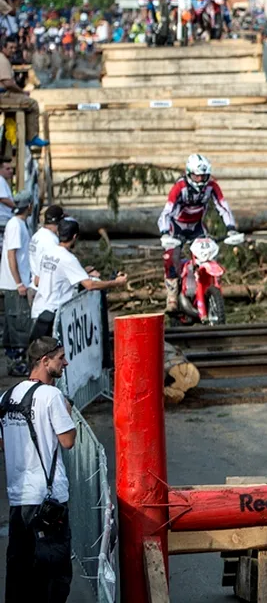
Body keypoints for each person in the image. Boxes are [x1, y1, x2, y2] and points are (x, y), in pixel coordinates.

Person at [1, 337, 75, 603]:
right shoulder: (51, 395)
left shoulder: (7, 396)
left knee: (20, 574)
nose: (65, 362)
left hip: (19, 499)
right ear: (44, 361)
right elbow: (67, 441)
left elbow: (2, 443)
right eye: (60, 358)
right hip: (48, 499)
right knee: (54, 576)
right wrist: (67, 411)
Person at [157, 154, 238, 312]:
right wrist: (165, 233)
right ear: (188, 173)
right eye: (197, 176)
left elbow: (223, 206)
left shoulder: (212, 186)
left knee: (208, 255)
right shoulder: (179, 187)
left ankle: (209, 289)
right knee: (170, 257)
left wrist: (231, 228)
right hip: (176, 227)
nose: (200, 180)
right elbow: (166, 212)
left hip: (197, 227)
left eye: (203, 176)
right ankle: (172, 297)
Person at [31, 218, 127, 341]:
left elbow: (41, 279)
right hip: (54, 315)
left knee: (39, 354)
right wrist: (116, 283)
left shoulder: (47, 253)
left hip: (39, 310)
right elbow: (90, 285)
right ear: (75, 237)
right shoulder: (68, 258)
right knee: (55, 354)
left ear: (59, 234)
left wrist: (82, 272)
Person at [1, 193, 33, 371]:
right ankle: (17, 362)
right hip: (14, 284)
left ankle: (15, 359)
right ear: (28, 206)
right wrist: (19, 282)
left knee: (14, 321)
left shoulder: (20, 224)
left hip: (16, 282)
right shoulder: (15, 225)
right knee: (18, 322)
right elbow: (11, 254)